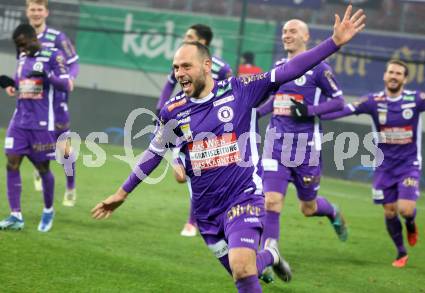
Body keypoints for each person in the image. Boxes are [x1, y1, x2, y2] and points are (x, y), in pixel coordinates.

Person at [92, 5, 365, 292]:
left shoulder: (240, 89)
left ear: (207, 66)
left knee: (242, 268)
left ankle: (265, 255)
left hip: (243, 197)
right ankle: (269, 256)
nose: (179, 74)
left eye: (186, 66)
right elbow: (153, 153)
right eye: (175, 68)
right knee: (243, 274)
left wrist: (333, 42)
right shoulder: (173, 111)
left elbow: (289, 70)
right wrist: (121, 193)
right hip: (206, 212)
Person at [320, 59, 425, 268]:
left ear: (405, 78)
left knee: (405, 209)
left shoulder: (416, 99)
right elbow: (345, 110)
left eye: (398, 73)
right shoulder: (373, 101)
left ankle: (411, 224)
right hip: (384, 167)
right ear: (385, 76)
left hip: (409, 165)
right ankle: (401, 252)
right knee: (389, 211)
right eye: (391, 72)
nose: (394, 76)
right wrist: (313, 112)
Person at [256, 19, 349, 280]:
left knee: (307, 208)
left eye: (293, 31)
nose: (287, 35)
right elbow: (275, 100)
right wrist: (254, 113)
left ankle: (332, 211)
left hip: (306, 149)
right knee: (271, 200)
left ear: (306, 36)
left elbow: (339, 102)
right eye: (284, 31)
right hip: (276, 144)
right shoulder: (278, 67)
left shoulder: (320, 69)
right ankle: (268, 254)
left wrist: (309, 111)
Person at [157, 23, 233, 237]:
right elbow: (167, 88)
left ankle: (194, 221)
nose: (185, 38)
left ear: (203, 42)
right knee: (186, 173)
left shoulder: (221, 68)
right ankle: (196, 220)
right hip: (184, 122)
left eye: (190, 36)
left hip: (213, 128)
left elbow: (230, 95)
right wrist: (159, 111)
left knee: (200, 172)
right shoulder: (182, 62)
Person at [0, 23, 72, 232]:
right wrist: (9, 83)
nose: (21, 50)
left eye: (23, 45)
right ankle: (16, 216)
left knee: (43, 168)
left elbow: (65, 83)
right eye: (18, 46)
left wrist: (47, 75)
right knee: (11, 162)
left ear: (33, 38)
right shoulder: (23, 58)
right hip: (19, 121)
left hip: (42, 124)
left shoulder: (53, 55)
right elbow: (25, 83)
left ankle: (48, 209)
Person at [26, 0, 80, 207]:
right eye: (33, 9)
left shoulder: (57, 38)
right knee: (33, 141)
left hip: (57, 100)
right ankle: (39, 169)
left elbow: (73, 62)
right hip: (33, 100)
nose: (36, 13)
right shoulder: (23, 38)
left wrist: (70, 78)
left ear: (46, 12)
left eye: (40, 9)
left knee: (63, 147)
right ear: (27, 11)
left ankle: (70, 187)